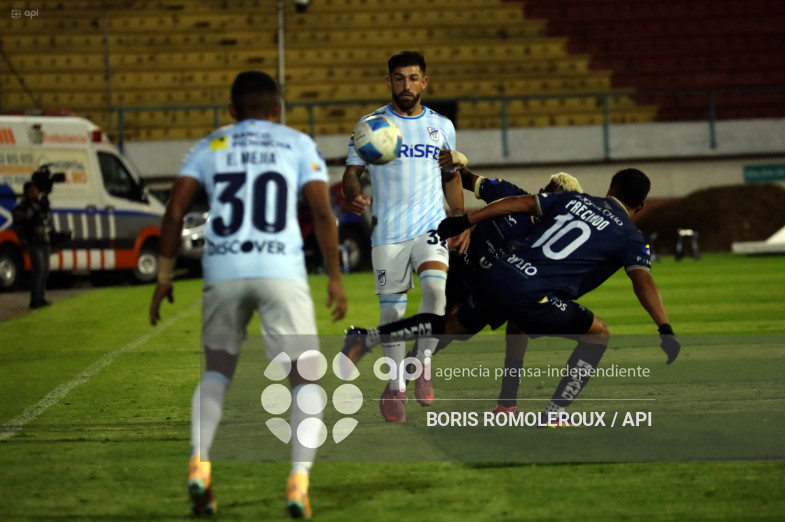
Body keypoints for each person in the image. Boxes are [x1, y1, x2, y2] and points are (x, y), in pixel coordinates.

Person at [149, 71, 347, 519]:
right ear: (277, 110)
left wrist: (164, 276)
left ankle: (200, 463)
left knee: (217, 370)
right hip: (281, 270)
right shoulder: (296, 143)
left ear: (232, 111)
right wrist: (334, 276)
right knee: (305, 380)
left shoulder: (210, 145)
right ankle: (298, 481)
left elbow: (175, 209)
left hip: (224, 268)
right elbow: (321, 210)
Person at [343, 168, 680, 422]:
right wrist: (664, 326)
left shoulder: (573, 200)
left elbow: (517, 203)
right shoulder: (631, 237)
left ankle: (369, 337)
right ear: (642, 205)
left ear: (610, 187)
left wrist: (466, 220)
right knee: (599, 335)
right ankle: (555, 412)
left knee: (450, 327)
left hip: (501, 274)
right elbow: (643, 281)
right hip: (525, 290)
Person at [341, 51, 466, 423]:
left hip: (431, 227)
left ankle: (422, 364)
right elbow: (350, 175)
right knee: (393, 312)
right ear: (388, 82)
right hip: (389, 233)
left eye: (413, 78)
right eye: (399, 78)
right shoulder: (370, 125)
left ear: (424, 82)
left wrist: (458, 217)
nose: (406, 85)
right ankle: (395, 386)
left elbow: (452, 175)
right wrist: (354, 193)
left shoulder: (442, 126)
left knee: (436, 291)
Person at [12, 181, 52, 309]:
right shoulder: (22, 207)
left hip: (44, 240)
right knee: (38, 269)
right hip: (33, 241)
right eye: (32, 190)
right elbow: (21, 224)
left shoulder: (41, 205)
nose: (36, 192)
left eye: (36, 190)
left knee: (45, 270)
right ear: (26, 192)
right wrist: (24, 243)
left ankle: (41, 296)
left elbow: (48, 221)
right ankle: (35, 299)